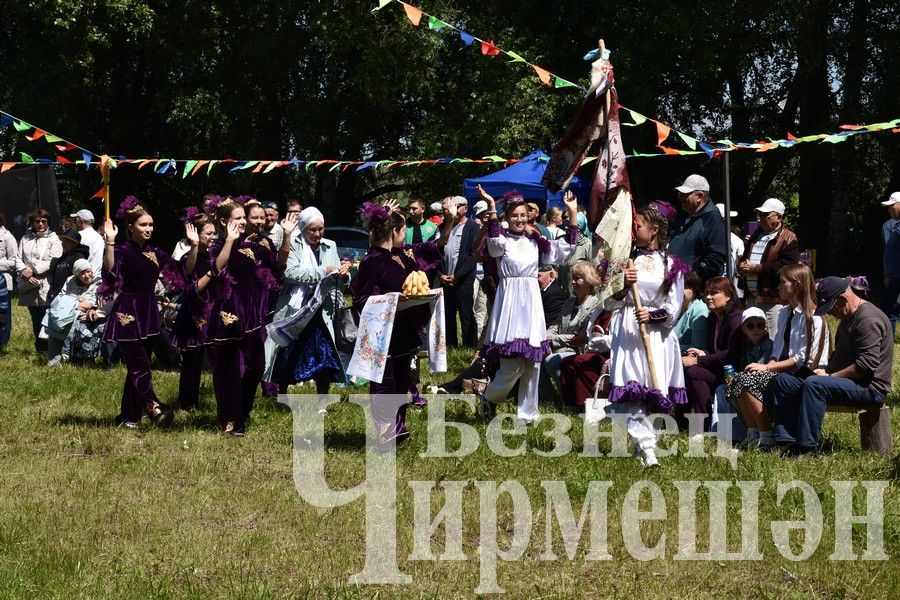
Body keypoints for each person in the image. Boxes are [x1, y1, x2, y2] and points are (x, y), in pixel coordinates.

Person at [351, 198, 453, 445]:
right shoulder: (372, 260)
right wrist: (390, 298)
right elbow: (360, 298)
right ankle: (387, 431)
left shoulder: (405, 253)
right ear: (394, 231)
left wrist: (449, 220)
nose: (406, 233)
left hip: (405, 329)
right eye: (403, 228)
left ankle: (399, 425)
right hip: (382, 334)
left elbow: (436, 246)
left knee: (401, 380)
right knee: (384, 384)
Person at [476, 186, 579, 426]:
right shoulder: (501, 238)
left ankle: (528, 415)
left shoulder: (537, 241)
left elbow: (564, 252)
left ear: (529, 216)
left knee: (533, 364)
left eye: (523, 215)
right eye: (514, 215)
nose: (520, 219)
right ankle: (490, 398)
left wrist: (572, 214)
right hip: (510, 300)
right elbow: (492, 247)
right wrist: (492, 207)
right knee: (512, 365)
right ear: (506, 217)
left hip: (531, 300)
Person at [770, 277, 894, 455]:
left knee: (814, 385)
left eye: (831, 309)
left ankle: (807, 449)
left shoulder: (868, 319)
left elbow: (865, 366)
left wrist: (829, 377)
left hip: (870, 387)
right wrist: (825, 370)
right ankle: (786, 441)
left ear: (842, 300)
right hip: (849, 381)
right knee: (784, 381)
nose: (832, 314)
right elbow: (840, 355)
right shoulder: (847, 317)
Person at [605, 201, 688, 466]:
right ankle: (647, 447)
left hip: (657, 333)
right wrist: (622, 285)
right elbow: (608, 301)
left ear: (653, 229)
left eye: (638, 225)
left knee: (655, 390)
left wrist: (653, 316)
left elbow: (674, 305)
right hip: (628, 328)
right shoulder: (624, 260)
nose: (634, 229)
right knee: (631, 389)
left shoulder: (671, 264)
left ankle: (647, 444)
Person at [100, 196, 191, 428]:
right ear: (131, 227)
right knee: (139, 365)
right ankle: (154, 406)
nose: (149, 228)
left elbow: (181, 272)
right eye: (143, 224)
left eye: (151, 224)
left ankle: (128, 418)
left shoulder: (156, 253)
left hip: (149, 311)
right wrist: (109, 243)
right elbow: (110, 273)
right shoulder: (123, 250)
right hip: (127, 313)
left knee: (139, 368)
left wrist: (196, 245)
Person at [726, 264, 829, 449]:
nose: (778, 287)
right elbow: (778, 349)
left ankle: (767, 437)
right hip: (782, 370)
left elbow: (801, 359)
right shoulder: (784, 313)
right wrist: (769, 364)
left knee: (748, 382)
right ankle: (753, 433)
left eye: (782, 282)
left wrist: (767, 368)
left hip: (805, 374)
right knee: (738, 380)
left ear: (796, 285)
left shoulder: (812, 318)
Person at [205, 196, 282, 436]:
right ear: (223, 221)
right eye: (236, 219)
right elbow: (217, 269)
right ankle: (230, 420)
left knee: (257, 366)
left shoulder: (250, 247)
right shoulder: (217, 246)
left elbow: (278, 264)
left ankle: (242, 409)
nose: (241, 223)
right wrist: (229, 240)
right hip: (227, 314)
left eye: (242, 218)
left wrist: (287, 237)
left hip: (250, 314)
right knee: (228, 371)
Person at [270, 207, 350, 397]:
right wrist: (324, 271)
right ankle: (282, 392)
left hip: (323, 309)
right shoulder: (295, 245)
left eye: (320, 229)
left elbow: (337, 276)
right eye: (312, 230)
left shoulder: (330, 245)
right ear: (304, 228)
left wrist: (344, 274)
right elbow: (290, 273)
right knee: (291, 351)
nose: (317, 234)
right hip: (298, 308)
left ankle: (323, 396)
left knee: (326, 353)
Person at [680, 276, 744, 430]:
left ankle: (701, 427)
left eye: (714, 293)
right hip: (718, 368)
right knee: (685, 369)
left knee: (695, 371)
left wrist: (698, 361)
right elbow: (715, 350)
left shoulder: (735, 319)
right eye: (707, 293)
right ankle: (682, 425)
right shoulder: (713, 319)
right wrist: (702, 352)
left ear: (728, 296)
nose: (708, 297)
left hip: (733, 372)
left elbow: (731, 354)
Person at [170, 214, 216, 410]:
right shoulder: (188, 256)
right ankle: (187, 403)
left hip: (214, 309)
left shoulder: (218, 255)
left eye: (214, 233)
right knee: (192, 360)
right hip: (194, 312)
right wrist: (195, 246)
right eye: (208, 233)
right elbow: (189, 272)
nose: (213, 237)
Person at [737, 198, 799, 340]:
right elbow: (746, 257)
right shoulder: (756, 235)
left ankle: (772, 363)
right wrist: (742, 266)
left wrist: (758, 269)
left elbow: (788, 266)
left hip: (772, 300)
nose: (761, 219)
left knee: (773, 339)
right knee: (752, 339)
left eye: (766, 215)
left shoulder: (789, 238)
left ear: (779, 217)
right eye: (760, 215)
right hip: (752, 298)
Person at [542, 261, 602, 396]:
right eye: (572, 279)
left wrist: (553, 339)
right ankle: (548, 397)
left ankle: (569, 398)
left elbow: (582, 336)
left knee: (552, 361)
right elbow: (555, 325)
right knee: (536, 353)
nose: (573, 282)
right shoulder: (570, 301)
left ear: (589, 281)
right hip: (561, 346)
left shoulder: (595, 305)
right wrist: (544, 337)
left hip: (580, 350)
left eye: (578, 278)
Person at [16, 209, 62, 352]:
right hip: (28, 283)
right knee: (35, 318)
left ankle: (51, 349)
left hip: (45, 283)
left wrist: (34, 271)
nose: (40, 224)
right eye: (37, 221)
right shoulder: (25, 239)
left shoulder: (55, 239)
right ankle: (40, 348)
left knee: (47, 317)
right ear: (32, 222)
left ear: (48, 222)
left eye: (44, 221)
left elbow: (53, 260)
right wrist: (25, 273)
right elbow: (18, 258)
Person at [437, 196, 480, 347]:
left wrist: (458, 276)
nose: (451, 209)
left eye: (456, 205)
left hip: (463, 279)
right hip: (445, 277)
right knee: (448, 313)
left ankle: (469, 345)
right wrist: (441, 275)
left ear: (465, 208)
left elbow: (473, 255)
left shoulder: (473, 228)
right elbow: (437, 252)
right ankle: (450, 344)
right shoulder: (443, 227)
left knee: (466, 312)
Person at [668, 174, 727, 282]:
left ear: (699, 196)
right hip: (675, 284)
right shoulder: (685, 216)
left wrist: (693, 281)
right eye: (680, 194)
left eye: (684, 194)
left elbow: (715, 259)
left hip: (693, 290)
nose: (680, 197)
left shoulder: (713, 220)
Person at [45, 259, 100, 366]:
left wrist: (70, 303)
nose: (87, 275)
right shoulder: (70, 280)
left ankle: (78, 359)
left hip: (87, 317)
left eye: (88, 271)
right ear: (76, 275)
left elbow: (91, 304)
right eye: (82, 273)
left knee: (75, 325)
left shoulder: (97, 282)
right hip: (68, 314)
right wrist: (78, 304)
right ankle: (54, 362)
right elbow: (60, 298)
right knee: (53, 323)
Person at [47, 229, 89, 303]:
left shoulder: (79, 257)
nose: (64, 243)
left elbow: (81, 279)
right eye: (63, 241)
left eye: (67, 241)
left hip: (70, 298)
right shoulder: (63, 257)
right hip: (57, 297)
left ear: (75, 243)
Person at [471, 200, 492, 340]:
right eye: (481, 214)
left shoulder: (499, 228)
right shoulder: (476, 229)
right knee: (476, 307)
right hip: (476, 273)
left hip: (489, 275)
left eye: (486, 213)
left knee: (487, 306)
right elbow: (475, 249)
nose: (484, 216)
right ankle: (478, 337)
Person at [879, 191, 900, 334]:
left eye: (891, 206)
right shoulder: (894, 225)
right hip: (894, 274)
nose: (888, 209)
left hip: (897, 275)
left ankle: (886, 345)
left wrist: (888, 273)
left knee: (889, 310)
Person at [674, 271, 709, 353]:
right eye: (676, 287)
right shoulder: (672, 307)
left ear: (695, 290)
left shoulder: (700, 310)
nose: (679, 291)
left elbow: (697, 347)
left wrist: (667, 346)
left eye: (684, 287)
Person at [0, 214, 19, 348]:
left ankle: (2, 344)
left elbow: (14, 261)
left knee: (3, 314)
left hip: (3, 282)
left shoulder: (7, 237)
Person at [71, 209, 104, 273]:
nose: (74, 223)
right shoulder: (99, 237)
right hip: (97, 276)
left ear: (80, 221)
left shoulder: (78, 236)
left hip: (82, 277)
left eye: (75, 220)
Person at [538, 264, 567, 329]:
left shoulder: (555, 294)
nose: (536, 280)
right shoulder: (544, 291)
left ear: (551, 276)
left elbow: (551, 322)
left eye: (538, 276)